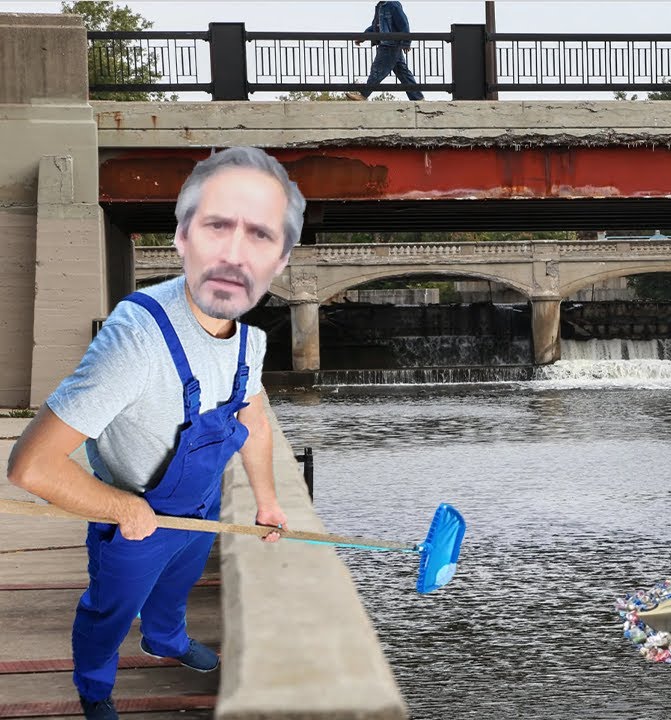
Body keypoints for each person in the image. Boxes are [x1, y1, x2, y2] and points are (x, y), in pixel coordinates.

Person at [6, 147, 305, 720]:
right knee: (109, 612)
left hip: (200, 509)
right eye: (218, 226)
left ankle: (165, 639)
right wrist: (119, 505)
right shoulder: (136, 338)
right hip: (135, 521)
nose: (235, 254)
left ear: (280, 259)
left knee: (177, 586)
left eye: (260, 236)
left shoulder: (251, 342)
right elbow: (30, 466)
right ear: (183, 237)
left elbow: (256, 419)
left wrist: (267, 502)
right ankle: (95, 690)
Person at [347, 1, 425, 101]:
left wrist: (406, 42)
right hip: (389, 44)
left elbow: (404, 24)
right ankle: (418, 97)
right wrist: (363, 37)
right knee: (403, 73)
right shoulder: (380, 6)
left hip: (389, 45)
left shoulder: (393, 5)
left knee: (377, 70)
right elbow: (376, 27)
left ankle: (363, 95)